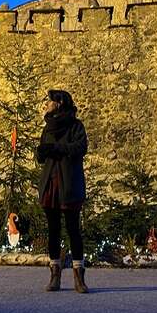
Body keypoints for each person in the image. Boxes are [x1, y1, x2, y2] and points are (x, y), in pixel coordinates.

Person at [36, 89, 89, 293]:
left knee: (73, 230)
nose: (46, 104)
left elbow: (80, 148)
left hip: (69, 183)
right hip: (51, 183)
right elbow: (43, 154)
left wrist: (58, 148)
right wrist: (41, 153)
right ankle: (55, 275)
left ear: (59, 103)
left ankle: (79, 277)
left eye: (49, 101)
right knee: (53, 230)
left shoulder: (76, 126)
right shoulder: (48, 128)